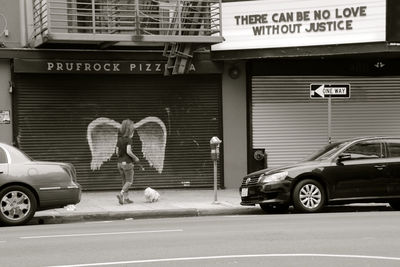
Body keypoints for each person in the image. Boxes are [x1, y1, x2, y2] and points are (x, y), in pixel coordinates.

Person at [115, 119, 140, 205]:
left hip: (119, 164)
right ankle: (121, 194)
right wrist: (135, 158)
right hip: (127, 164)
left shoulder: (119, 139)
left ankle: (126, 199)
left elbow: (116, 152)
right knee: (129, 181)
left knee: (124, 181)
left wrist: (122, 158)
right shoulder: (129, 140)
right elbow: (128, 151)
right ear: (130, 130)